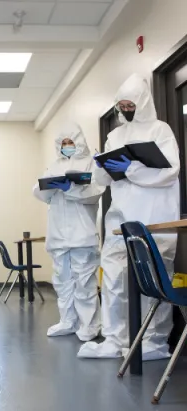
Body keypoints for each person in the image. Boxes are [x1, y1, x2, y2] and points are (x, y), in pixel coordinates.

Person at [78, 74, 180, 360]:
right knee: (113, 278)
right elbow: (104, 179)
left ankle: (155, 342)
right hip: (119, 221)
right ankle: (115, 338)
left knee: (154, 281)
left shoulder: (161, 131)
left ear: (143, 102)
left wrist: (133, 167)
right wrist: (103, 167)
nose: (125, 109)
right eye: (121, 105)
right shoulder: (115, 135)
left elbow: (169, 171)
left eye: (130, 104)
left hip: (154, 219)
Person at [34, 123, 104, 341]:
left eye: (70, 142)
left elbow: (95, 193)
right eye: (63, 143)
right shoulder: (54, 165)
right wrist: (50, 187)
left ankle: (90, 325)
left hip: (82, 233)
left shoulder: (90, 164)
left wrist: (70, 188)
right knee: (62, 281)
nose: (67, 146)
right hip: (58, 234)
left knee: (84, 281)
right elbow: (39, 191)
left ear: (79, 142)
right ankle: (68, 321)